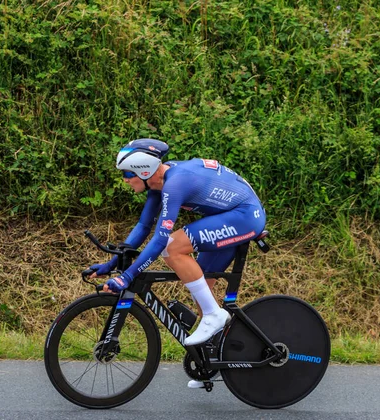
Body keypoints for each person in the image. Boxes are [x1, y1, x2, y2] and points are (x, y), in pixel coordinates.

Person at [89, 139, 266, 387]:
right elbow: (143, 227)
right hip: (231, 215)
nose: (125, 180)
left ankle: (215, 315)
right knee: (201, 285)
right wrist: (111, 264)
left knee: (173, 248)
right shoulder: (158, 182)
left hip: (245, 216)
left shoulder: (175, 183)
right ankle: (211, 359)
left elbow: (161, 238)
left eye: (129, 174)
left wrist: (127, 276)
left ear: (144, 170)